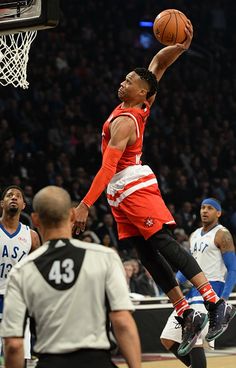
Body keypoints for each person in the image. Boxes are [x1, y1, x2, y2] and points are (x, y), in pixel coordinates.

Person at [74, 18, 235, 356]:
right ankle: (184, 311)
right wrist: (179, 48)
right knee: (144, 252)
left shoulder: (124, 122)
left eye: (129, 82)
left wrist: (86, 204)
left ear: (142, 92)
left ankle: (215, 303)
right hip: (120, 193)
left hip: (132, 184)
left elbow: (107, 167)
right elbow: (157, 64)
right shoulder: (139, 104)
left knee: (160, 241)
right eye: (124, 79)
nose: (123, 83)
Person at [0, 186, 141, 368]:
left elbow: (13, 345)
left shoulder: (22, 270)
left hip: (51, 360)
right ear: (73, 216)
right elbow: (122, 322)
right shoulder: (105, 257)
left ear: (35, 219)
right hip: (97, 360)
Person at [160, 198, 236, 368]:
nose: (204, 211)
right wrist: (174, 283)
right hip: (191, 294)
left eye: (210, 208)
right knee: (167, 339)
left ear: (218, 213)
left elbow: (233, 269)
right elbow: (188, 265)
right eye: (202, 207)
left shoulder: (222, 234)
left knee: (195, 341)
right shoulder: (194, 235)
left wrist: (222, 299)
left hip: (211, 293)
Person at [0, 185, 41, 365]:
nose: (14, 198)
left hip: (18, 299)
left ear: (24, 205)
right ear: (2, 203)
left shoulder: (31, 236)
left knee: (19, 357)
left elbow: (37, 271)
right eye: (9, 195)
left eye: (18, 196)